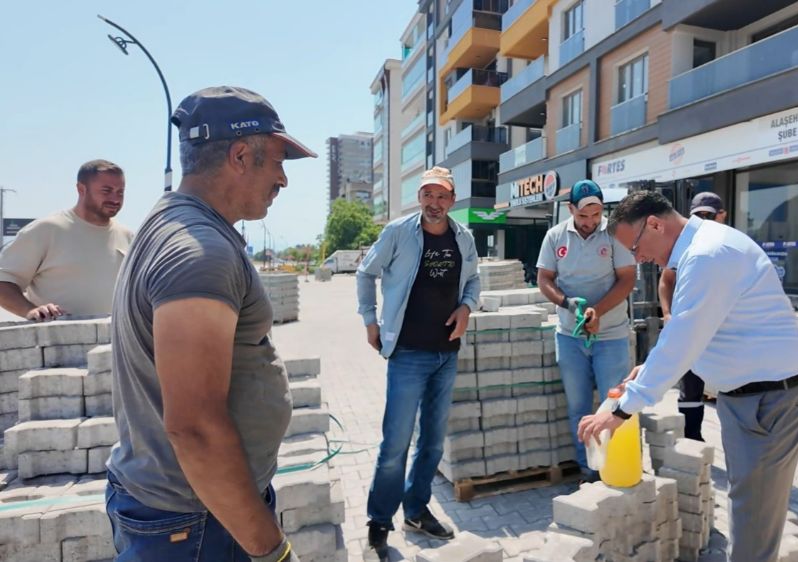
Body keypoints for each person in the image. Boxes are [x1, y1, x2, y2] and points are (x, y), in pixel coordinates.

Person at [105, 86, 316, 562]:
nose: (283, 179)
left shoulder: (173, 221)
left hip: (194, 511)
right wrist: (271, 550)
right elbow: (195, 427)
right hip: (197, 521)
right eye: (278, 161)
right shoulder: (200, 252)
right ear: (241, 155)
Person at [579, 191, 798, 562]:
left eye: (636, 247)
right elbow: (701, 332)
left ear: (655, 224)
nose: (638, 259)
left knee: (754, 515)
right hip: (747, 397)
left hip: (774, 399)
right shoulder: (701, 249)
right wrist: (648, 369)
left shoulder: (708, 254)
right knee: (748, 504)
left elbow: (684, 335)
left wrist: (622, 410)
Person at [357, 166, 480, 561]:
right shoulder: (398, 232)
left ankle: (416, 511)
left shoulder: (464, 238)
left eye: (442, 196)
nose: (434, 203)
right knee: (395, 442)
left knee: (431, 441)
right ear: (419, 197)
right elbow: (366, 272)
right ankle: (379, 520)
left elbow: (474, 281)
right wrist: (370, 320)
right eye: (428, 194)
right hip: (408, 352)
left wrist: (467, 307)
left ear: (452, 200)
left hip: (447, 353)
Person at [536, 179, 637, 477]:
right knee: (579, 407)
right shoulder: (555, 237)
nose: (590, 222)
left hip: (612, 335)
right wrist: (569, 305)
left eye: (596, 215)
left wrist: (597, 311)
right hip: (570, 336)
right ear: (570, 209)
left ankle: (616, 470)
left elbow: (627, 279)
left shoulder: (614, 235)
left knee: (615, 405)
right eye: (583, 216)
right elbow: (544, 280)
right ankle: (589, 470)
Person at [0, 160, 132, 320]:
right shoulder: (46, 230)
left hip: (115, 342)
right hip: (58, 342)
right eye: (106, 190)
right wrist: (31, 311)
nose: (115, 199)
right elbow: (3, 283)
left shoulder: (129, 237)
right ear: (81, 189)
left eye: (120, 192)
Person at [658, 192, 728, 441]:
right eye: (700, 216)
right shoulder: (684, 245)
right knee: (691, 386)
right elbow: (666, 280)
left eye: (710, 216)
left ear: (722, 216)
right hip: (690, 327)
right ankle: (692, 438)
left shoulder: (730, 245)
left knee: (731, 387)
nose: (705, 221)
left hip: (722, 331)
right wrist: (667, 314)